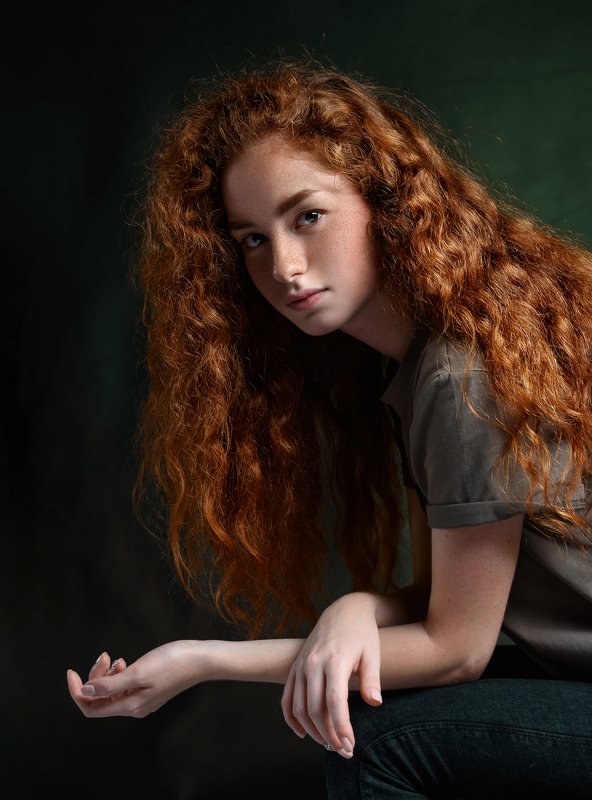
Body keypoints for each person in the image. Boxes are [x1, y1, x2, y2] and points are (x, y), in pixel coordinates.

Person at [67, 58, 592, 797]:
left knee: (378, 743)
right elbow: (444, 599)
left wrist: (202, 661)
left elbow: (456, 650)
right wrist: (353, 610)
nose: (284, 265)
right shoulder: (417, 369)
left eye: (307, 216)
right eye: (252, 239)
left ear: (386, 202)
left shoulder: (461, 376)